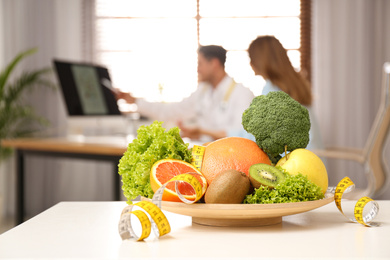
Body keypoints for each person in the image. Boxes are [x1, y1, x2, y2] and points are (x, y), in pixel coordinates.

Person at [116, 45, 255, 142]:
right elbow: (172, 111)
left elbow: (240, 136)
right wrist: (134, 101)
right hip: (203, 153)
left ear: (214, 63)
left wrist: (200, 132)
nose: (197, 69)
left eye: (200, 64)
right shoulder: (203, 91)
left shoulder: (242, 94)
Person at [245, 35, 324, 150]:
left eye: (251, 59)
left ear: (257, 62)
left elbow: (256, 137)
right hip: (313, 160)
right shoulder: (296, 85)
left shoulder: (271, 91)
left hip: (296, 163)